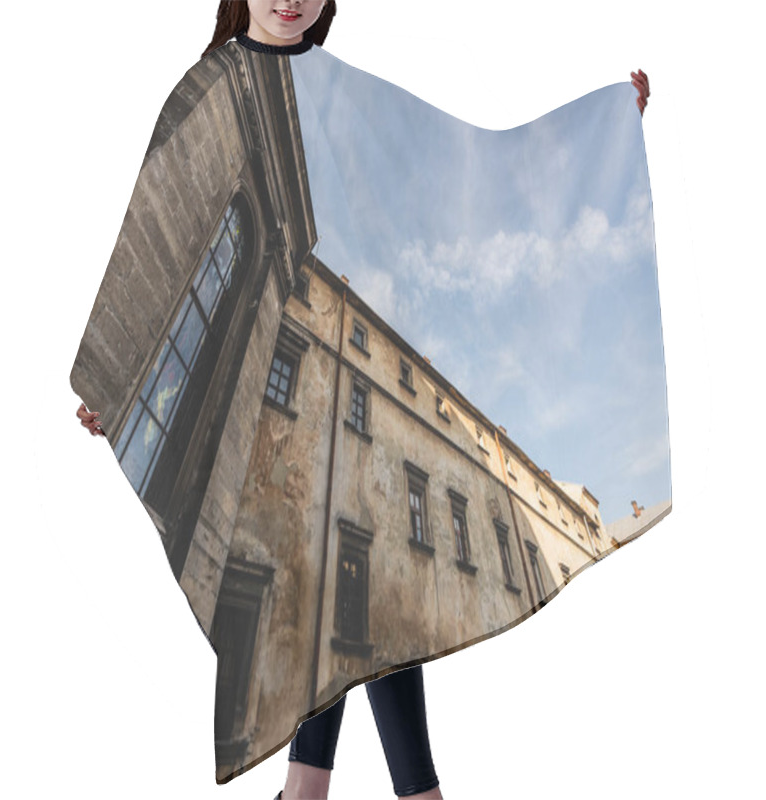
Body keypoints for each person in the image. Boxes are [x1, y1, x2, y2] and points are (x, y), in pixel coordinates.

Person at [76, 2, 651, 798]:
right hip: (236, 422)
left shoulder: (331, 80)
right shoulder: (211, 79)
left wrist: (610, 123)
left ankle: (319, 791)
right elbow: (153, 221)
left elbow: (454, 159)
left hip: (289, 379)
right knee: (356, 620)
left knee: (358, 622)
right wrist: (110, 381)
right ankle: (387, 792)